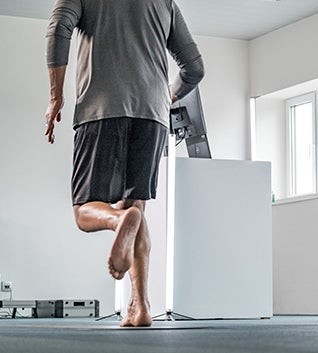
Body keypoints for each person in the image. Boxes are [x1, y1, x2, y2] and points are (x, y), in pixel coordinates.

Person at [44, 0, 204, 327]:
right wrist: (166, 97)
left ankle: (118, 221)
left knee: (84, 209)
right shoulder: (164, 2)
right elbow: (194, 68)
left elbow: (58, 28)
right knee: (137, 206)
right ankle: (141, 307)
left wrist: (56, 96)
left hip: (101, 110)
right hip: (153, 116)